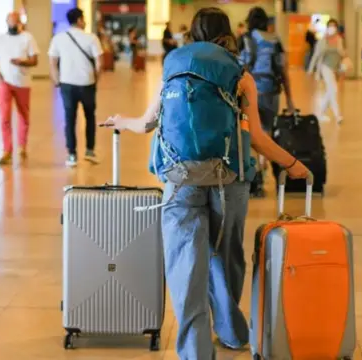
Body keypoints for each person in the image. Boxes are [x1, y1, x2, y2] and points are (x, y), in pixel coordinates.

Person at [101, 7, 309, 359]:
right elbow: (256, 137)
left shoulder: (173, 66)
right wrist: (292, 163)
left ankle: (195, 352)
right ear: (226, 34)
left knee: (186, 266)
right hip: (229, 180)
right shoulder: (240, 74)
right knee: (225, 259)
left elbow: (146, 122)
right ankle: (230, 332)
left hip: (180, 180)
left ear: (192, 34)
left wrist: (121, 120)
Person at [238, 6, 296, 198]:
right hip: (272, 93)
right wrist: (289, 99)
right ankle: (262, 170)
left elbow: (237, 68)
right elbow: (283, 71)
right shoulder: (275, 40)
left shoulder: (245, 40)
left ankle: (256, 179)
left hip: (249, 93)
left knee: (249, 134)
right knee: (266, 134)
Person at [48, 8, 103, 167]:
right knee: (90, 117)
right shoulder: (91, 38)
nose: (84, 21)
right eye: (83, 18)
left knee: (69, 119)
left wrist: (57, 80)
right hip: (87, 84)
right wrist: (95, 80)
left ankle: (72, 155)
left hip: (67, 84)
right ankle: (90, 151)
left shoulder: (58, 38)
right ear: (79, 20)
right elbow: (100, 63)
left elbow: (52, 62)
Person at [0, 12, 39, 166]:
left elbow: (34, 60)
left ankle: (22, 146)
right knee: (4, 117)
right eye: (10, 22)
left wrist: (22, 62)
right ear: (6, 22)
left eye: (15, 22)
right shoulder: (0, 39)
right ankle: (7, 150)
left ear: (20, 23)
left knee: (23, 115)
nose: (13, 25)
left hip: (22, 82)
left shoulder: (28, 38)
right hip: (5, 83)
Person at [308, 18, 348, 124]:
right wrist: (310, 70)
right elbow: (316, 56)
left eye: (334, 26)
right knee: (333, 89)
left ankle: (320, 113)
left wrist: (344, 60)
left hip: (334, 68)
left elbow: (342, 53)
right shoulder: (323, 40)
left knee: (330, 91)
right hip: (325, 67)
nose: (332, 28)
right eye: (330, 26)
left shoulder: (339, 39)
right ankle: (338, 116)